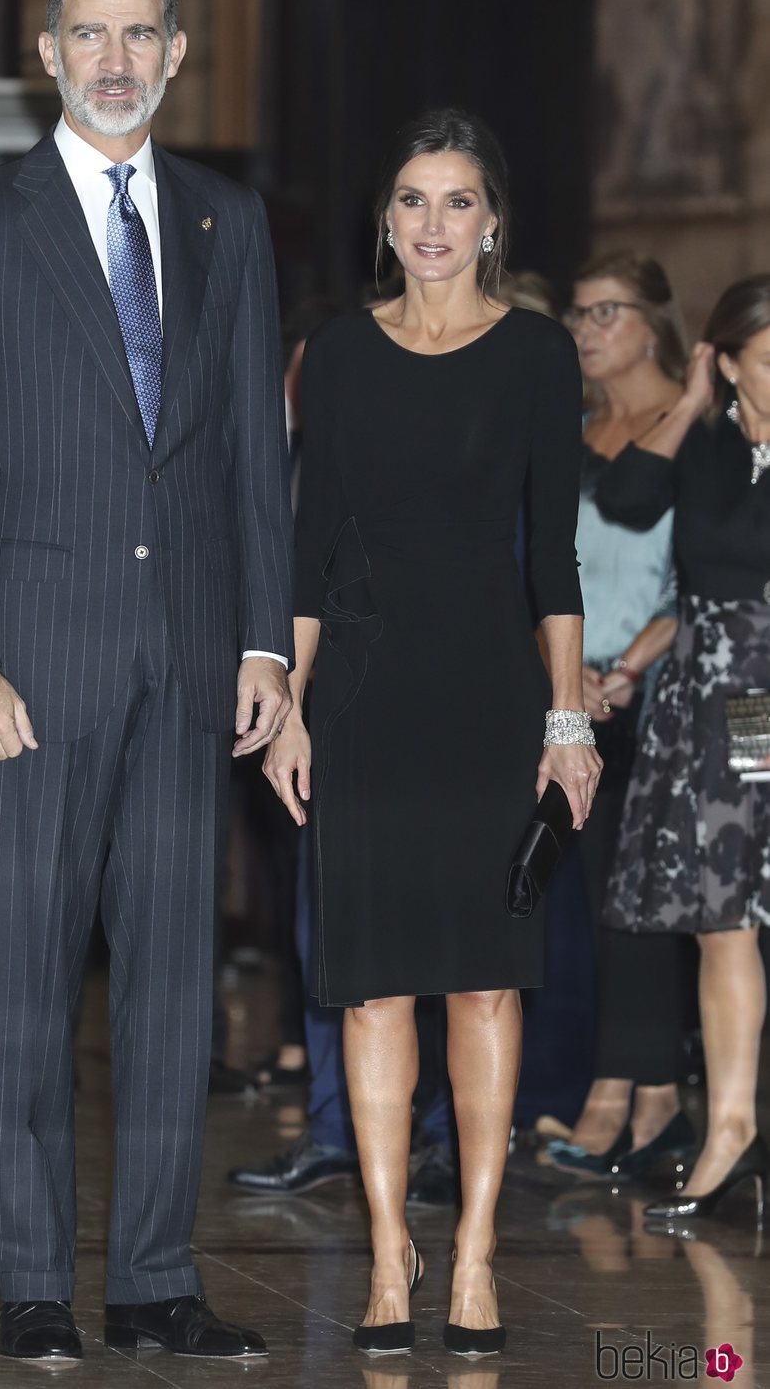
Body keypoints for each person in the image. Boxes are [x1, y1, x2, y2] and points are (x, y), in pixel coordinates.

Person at [0, 0, 292, 1364]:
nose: (115, 61)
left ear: (178, 54)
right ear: (48, 56)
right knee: (29, 992)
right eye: (89, 36)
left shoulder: (224, 223)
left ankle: (153, 1280)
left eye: (140, 36)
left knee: (178, 989)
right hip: (34, 673)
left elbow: (254, 448)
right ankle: (33, 1286)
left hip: (190, 666)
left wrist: (263, 640)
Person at [263, 108, 601, 1356]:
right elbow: (306, 551)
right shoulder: (341, 356)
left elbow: (554, 559)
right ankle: (389, 1251)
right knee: (368, 994)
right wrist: (287, 706)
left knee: (483, 988)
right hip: (360, 696)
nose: (432, 225)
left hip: (485, 702)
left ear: (492, 221)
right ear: (384, 222)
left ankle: (471, 1256)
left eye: (456, 201)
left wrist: (565, 721)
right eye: (411, 200)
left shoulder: (534, 353)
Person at [597, 274, 770, 1220]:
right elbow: (624, 495)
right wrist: (695, 403)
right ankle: (732, 1129)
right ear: (728, 361)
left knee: (740, 910)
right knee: (723, 915)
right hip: (717, 692)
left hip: (761, 677)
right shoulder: (701, 441)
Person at [546, 254, 696, 1179]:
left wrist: (631, 665)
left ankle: (641, 1095)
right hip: (576, 690)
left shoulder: (701, 424)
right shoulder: (574, 428)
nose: (586, 330)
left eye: (607, 312)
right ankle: (630, 1092)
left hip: (670, 687)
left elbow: (714, 570)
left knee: (651, 898)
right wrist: (570, 676)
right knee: (603, 895)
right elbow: (543, 567)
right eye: (577, 313)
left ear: (655, 326)